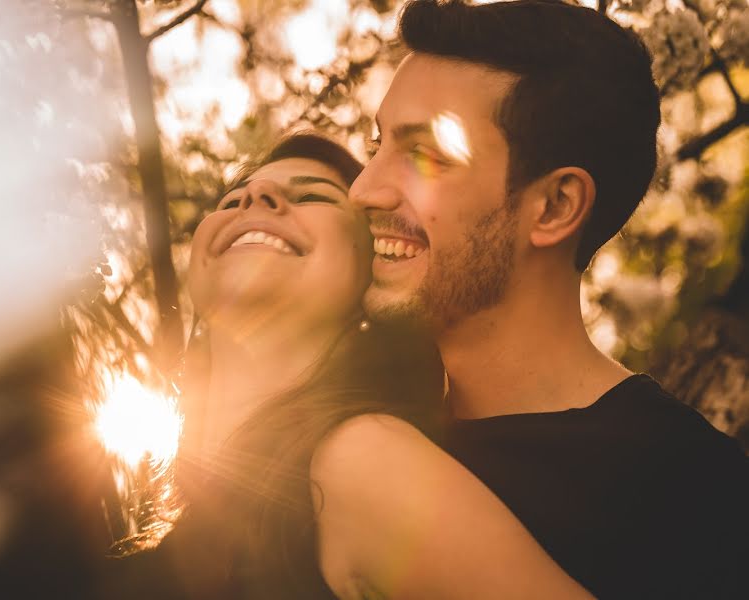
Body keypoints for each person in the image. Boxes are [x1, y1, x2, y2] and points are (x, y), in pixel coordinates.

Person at [350, 1, 749, 598]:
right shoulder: (363, 429)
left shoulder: (699, 499)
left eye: (424, 155)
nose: (363, 189)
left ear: (556, 206)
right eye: (376, 145)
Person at [107, 133, 593, 599]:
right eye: (233, 200)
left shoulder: (358, 461)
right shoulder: (189, 523)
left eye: (313, 197)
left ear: (373, 275)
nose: (256, 195)